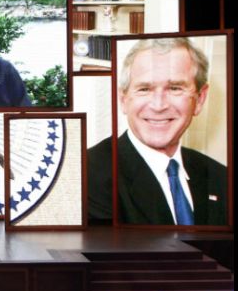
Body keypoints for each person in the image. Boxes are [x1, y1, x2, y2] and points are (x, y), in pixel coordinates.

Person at [87, 37, 227, 225]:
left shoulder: (221, 177)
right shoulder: (88, 177)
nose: (159, 105)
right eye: (144, 89)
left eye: (175, 88)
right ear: (123, 99)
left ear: (199, 99)